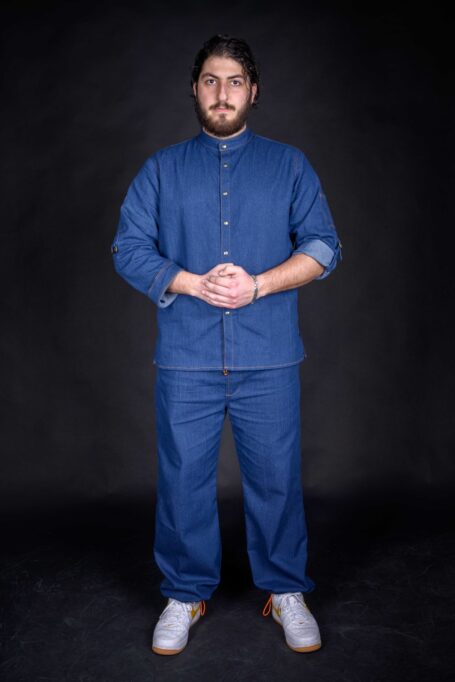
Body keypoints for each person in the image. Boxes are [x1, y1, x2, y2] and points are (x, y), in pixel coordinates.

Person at [111, 34, 342, 656]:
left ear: (253, 92)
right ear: (194, 89)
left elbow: (325, 247)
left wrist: (260, 284)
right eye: (210, 80)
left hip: (270, 355)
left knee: (275, 481)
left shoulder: (290, 164)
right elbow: (127, 249)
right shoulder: (159, 169)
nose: (222, 93)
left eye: (234, 81)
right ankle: (185, 593)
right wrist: (190, 281)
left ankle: (285, 590)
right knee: (183, 480)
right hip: (185, 358)